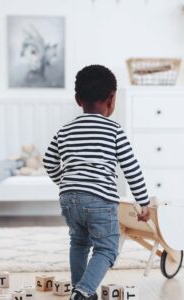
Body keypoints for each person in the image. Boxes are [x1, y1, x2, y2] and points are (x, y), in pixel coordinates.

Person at [43, 65, 150, 300]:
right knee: (107, 248)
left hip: (69, 199)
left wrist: (66, 182)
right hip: (100, 200)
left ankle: (80, 289)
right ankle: (83, 292)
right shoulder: (113, 130)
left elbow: (49, 161)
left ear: (77, 99)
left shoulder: (65, 130)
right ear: (112, 98)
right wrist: (143, 202)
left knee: (79, 243)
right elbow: (131, 168)